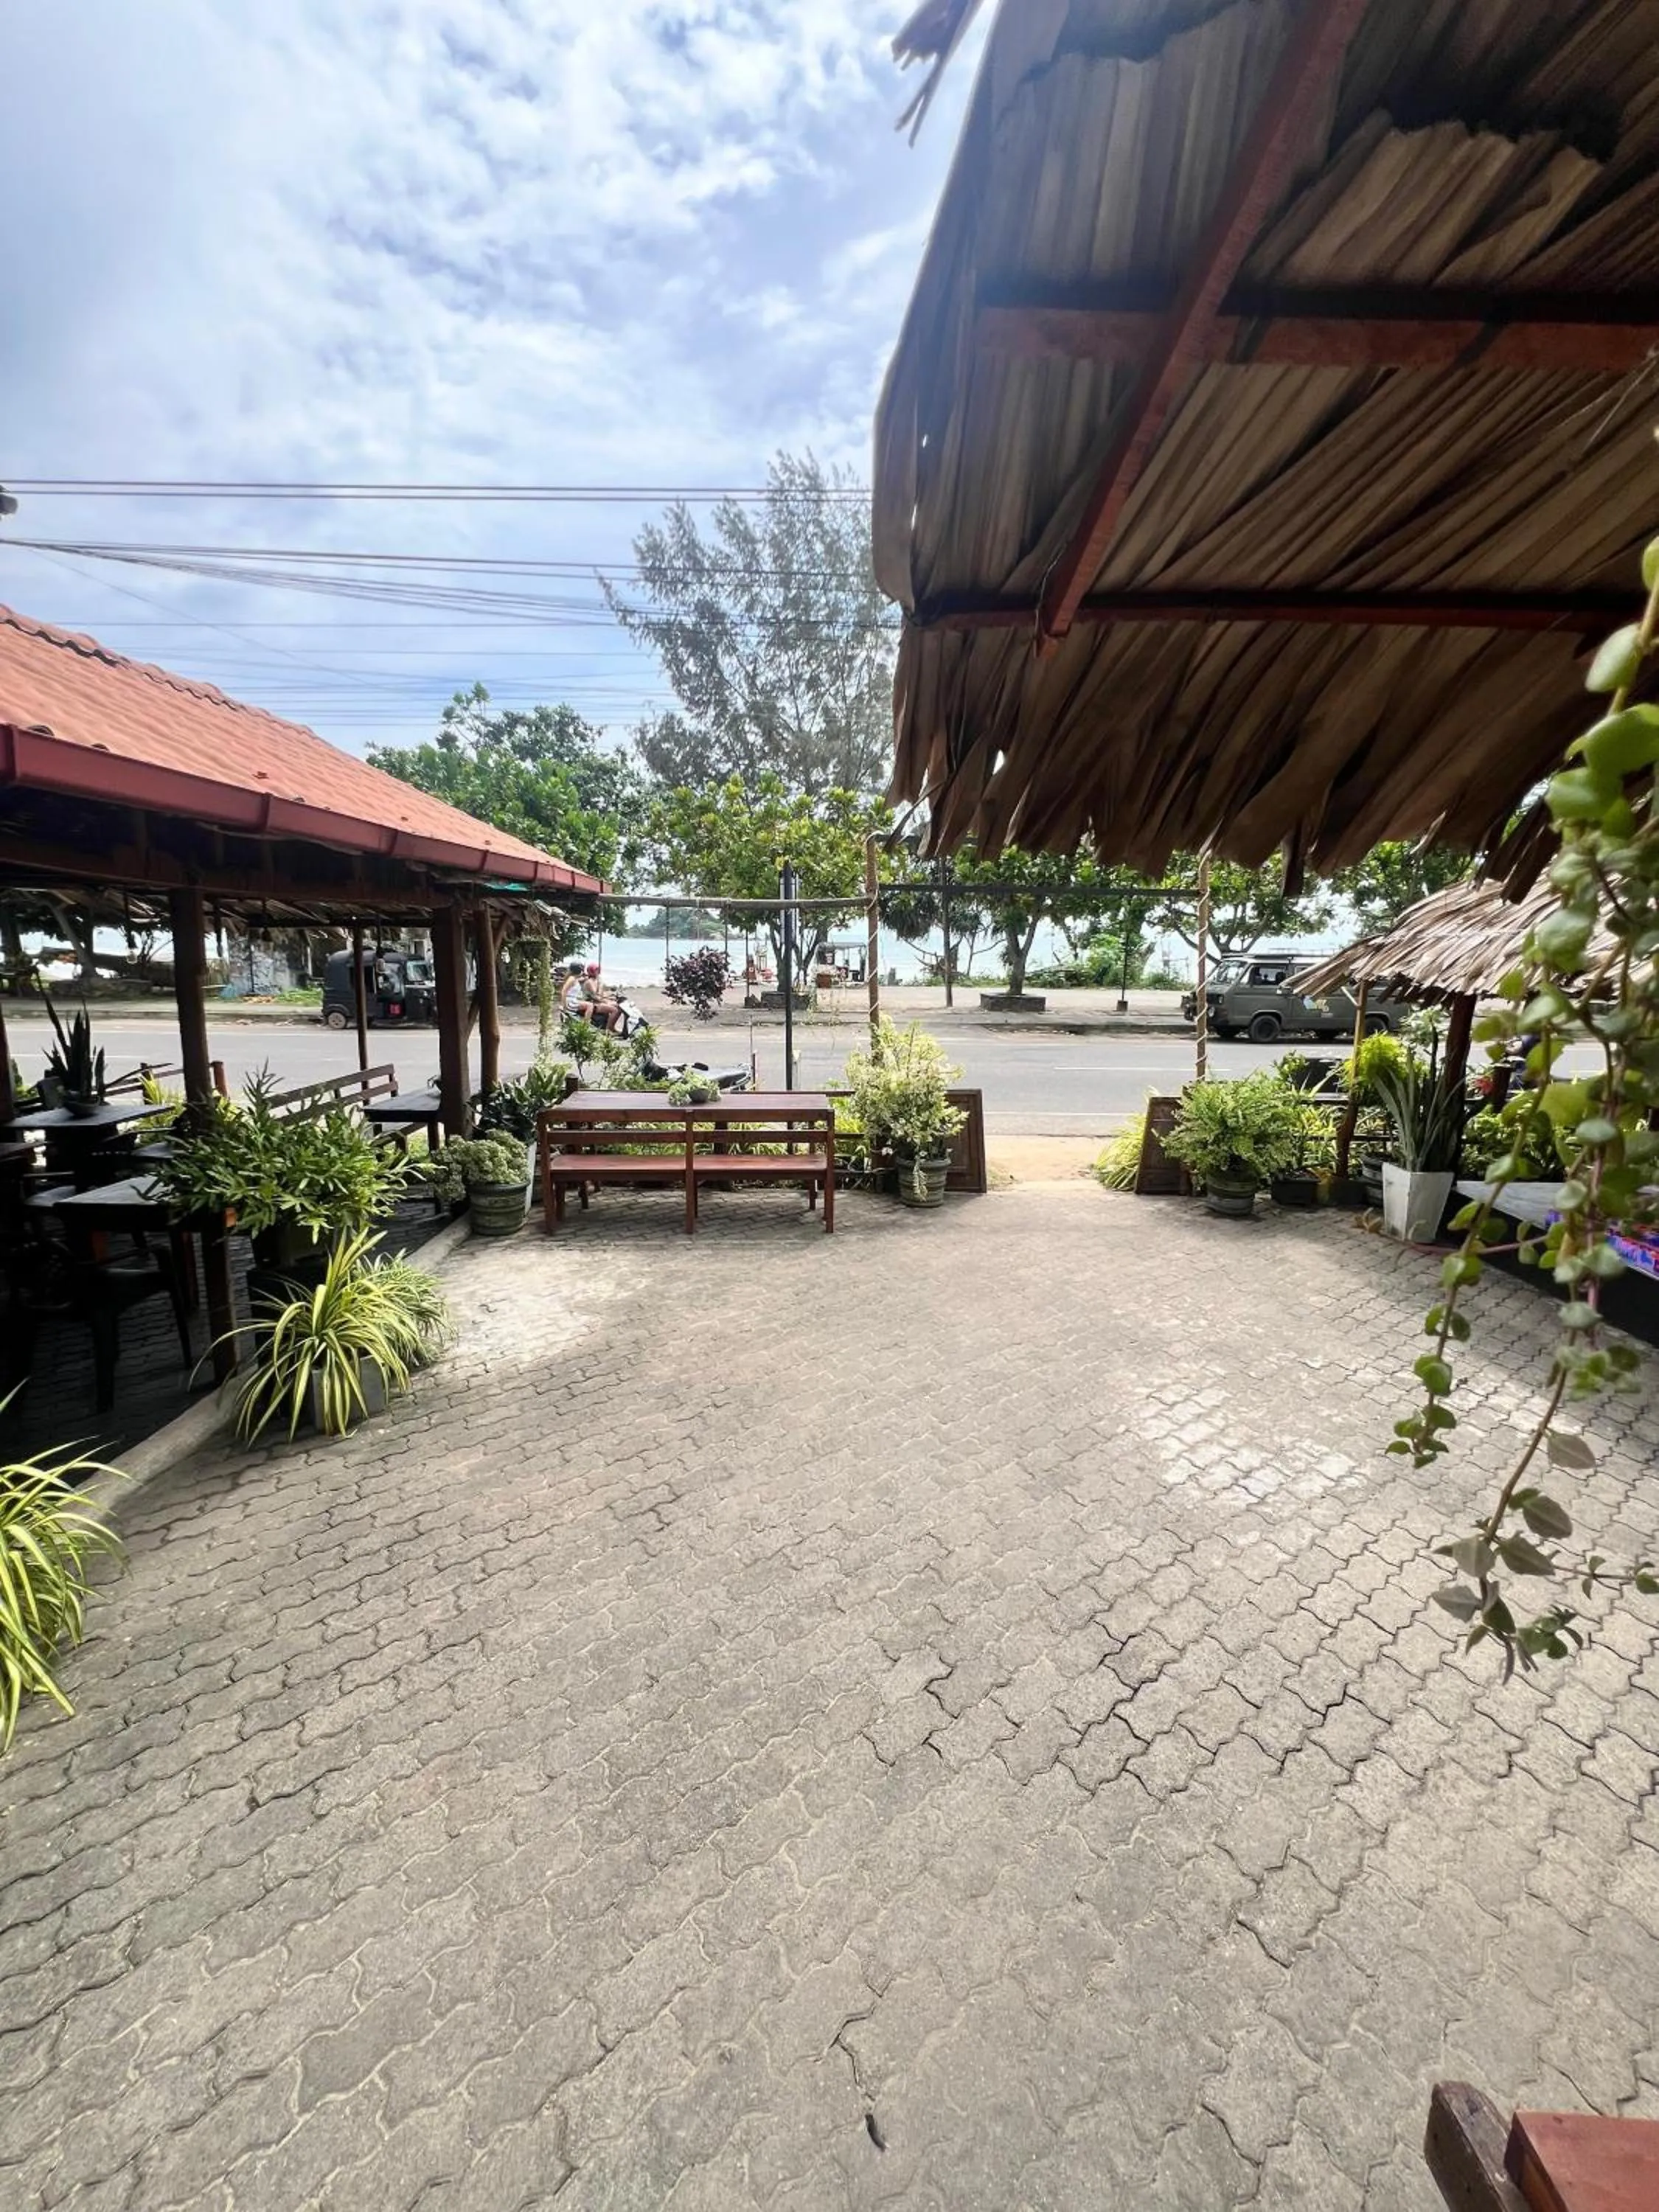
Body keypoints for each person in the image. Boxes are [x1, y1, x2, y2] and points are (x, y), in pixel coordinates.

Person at [583, 961, 624, 1033]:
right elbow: (596, 996)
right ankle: (608, 1030)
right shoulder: (589, 982)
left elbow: (602, 994)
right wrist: (605, 1000)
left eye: (598, 970)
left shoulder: (597, 980)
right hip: (593, 1004)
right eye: (596, 970)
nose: (598, 972)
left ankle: (612, 1027)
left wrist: (610, 997)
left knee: (619, 1007)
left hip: (598, 1002)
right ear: (592, 971)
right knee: (614, 1010)